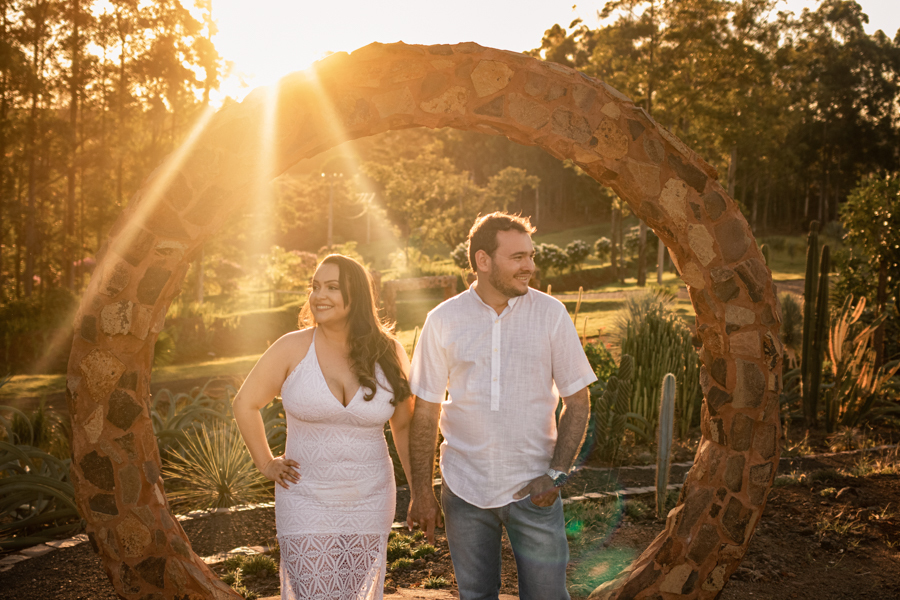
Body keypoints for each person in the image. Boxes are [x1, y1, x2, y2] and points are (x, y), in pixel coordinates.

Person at [406, 212, 597, 600]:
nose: (530, 266)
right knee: (475, 596)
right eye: (518, 258)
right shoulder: (443, 320)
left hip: (534, 490)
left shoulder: (550, 314)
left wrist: (557, 473)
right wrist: (422, 493)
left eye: (530, 255)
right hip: (464, 490)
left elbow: (578, 401)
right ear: (483, 260)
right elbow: (425, 411)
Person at [233, 254, 413, 600]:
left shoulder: (389, 353)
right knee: (316, 592)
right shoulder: (292, 347)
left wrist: (420, 492)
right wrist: (266, 463)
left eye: (332, 287)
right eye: (315, 287)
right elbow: (245, 403)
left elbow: (403, 427)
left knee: (349, 593)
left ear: (357, 296)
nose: (319, 296)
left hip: (371, 498)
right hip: (305, 499)